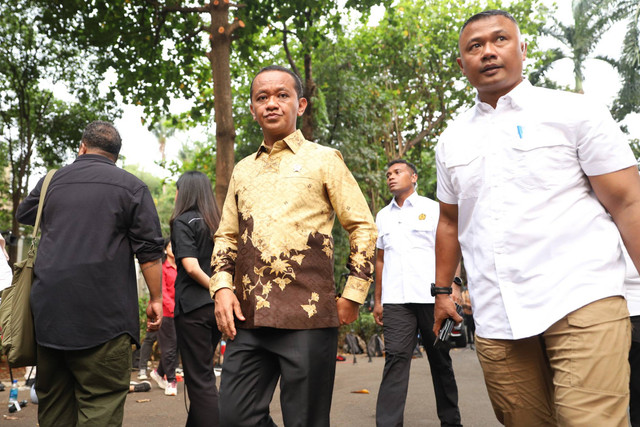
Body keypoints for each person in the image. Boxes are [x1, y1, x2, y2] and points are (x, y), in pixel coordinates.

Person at [433, 9, 640, 427]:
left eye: (500, 40)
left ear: (523, 48)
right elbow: (450, 222)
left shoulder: (574, 112)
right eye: (475, 46)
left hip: (583, 296)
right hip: (497, 313)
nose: (488, 52)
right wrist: (441, 291)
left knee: (591, 421)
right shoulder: (451, 140)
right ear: (461, 64)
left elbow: (628, 202)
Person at [211, 65, 377, 426]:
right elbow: (226, 235)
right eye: (262, 97)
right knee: (233, 417)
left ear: (300, 105)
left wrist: (353, 293)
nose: (272, 103)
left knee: (305, 421)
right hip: (248, 319)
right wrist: (222, 288)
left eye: (281, 95)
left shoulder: (324, 159)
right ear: (253, 109)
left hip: (308, 315)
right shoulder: (242, 170)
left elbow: (362, 226)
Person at [16, 121, 164, 427]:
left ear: (82, 147)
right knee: (101, 406)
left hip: (49, 317)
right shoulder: (132, 187)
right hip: (105, 322)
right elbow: (149, 252)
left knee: (54, 408)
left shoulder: (50, 182)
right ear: (115, 156)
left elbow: (25, 214)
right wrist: (156, 298)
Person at [373, 159, 462, 427]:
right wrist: (378, 301)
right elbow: (380, 260)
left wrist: (454, 285)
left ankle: (451, 421)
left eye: (397, 172)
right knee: (396, 359)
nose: (391, 177)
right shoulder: (382, 216)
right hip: (397, 302)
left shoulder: (432, 209)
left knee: (440, 361)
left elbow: (451, 246)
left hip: (432, 298)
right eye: (388, 173)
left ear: (414, 177)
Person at [170, 171, 222, 426]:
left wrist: (215, 287)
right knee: (203, 374)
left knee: (200, 381)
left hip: (193, 310)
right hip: (217, 310)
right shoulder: (218, 223)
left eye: (178, 189)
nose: (176, 195)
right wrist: (223, 293)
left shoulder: (183, 222)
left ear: (185, 192)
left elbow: (190, 267)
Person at [149, 238, 179, 396]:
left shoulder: (182, 267)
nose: (173, 248)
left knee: (176, 346)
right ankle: (171, 381)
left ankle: (159, 373)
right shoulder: (162, 268)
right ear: (165, 250)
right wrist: (175, 308)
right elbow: (162, 293)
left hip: (180, 313)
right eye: (170, 245)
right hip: (167, 313)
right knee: (169, 348)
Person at [460, 285, 474, 350]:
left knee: (474, 327)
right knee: (468, 327)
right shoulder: (464, 293)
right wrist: (469, 306)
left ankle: (474, 340)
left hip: (473, 313)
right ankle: (470, 340)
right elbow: (463, 303)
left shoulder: (473, 292)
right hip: (467, 313)